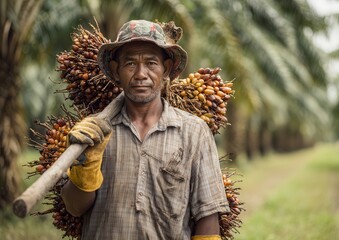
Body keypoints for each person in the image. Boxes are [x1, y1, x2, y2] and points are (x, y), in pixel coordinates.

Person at [61, 19, 229, 240]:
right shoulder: (92, 132)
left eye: (151, 63)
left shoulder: (193, 132)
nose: (141, 74)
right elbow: (74, 208)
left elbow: (208, 217)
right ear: (116, 70)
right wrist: (85, 168)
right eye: (130, 64)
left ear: (166, 69)